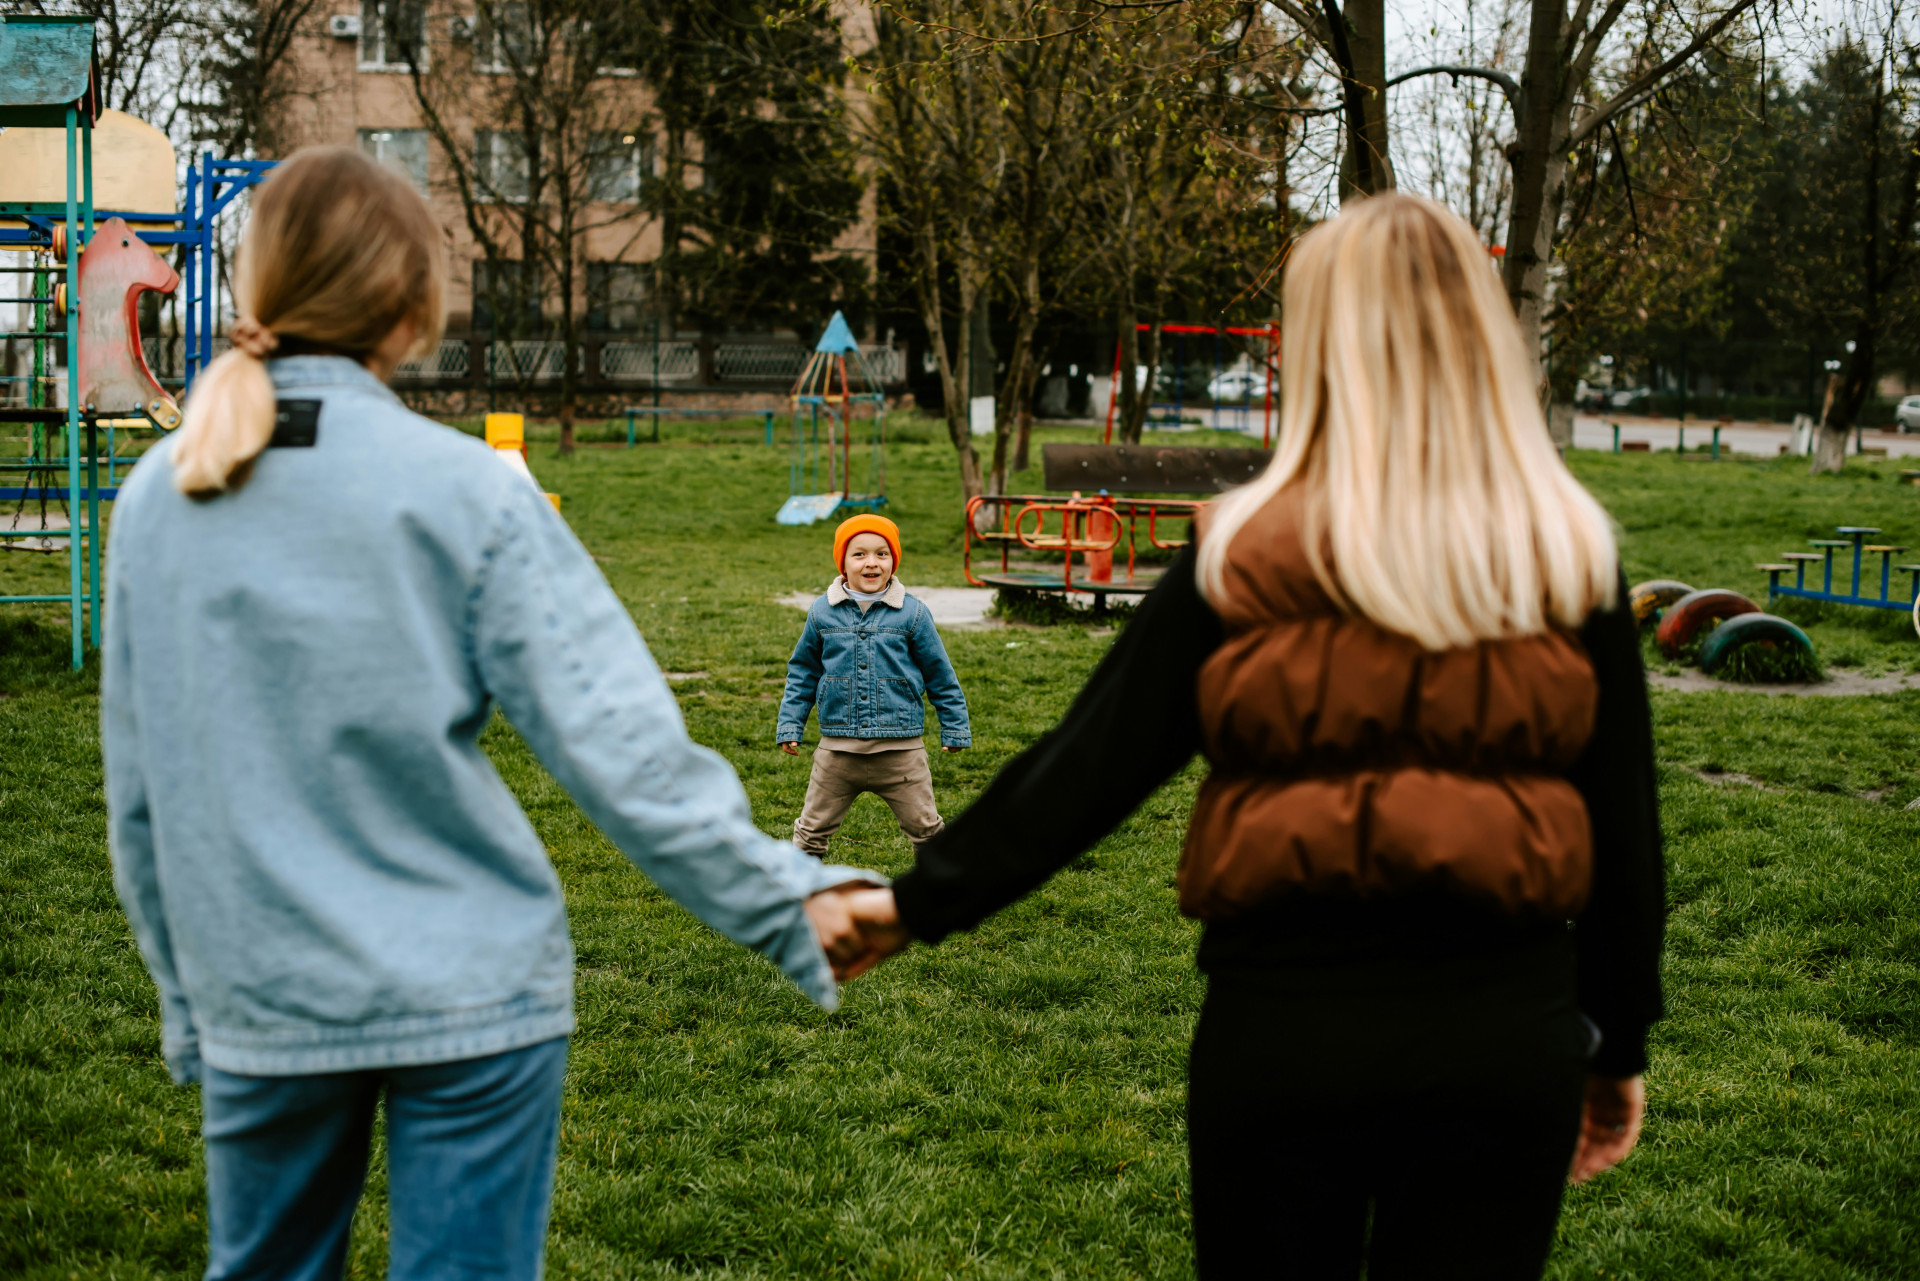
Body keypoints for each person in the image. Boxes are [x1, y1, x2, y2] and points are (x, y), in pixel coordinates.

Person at [843, 193, 1666, 1280]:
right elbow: (1625, 828)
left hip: (1284, 1038)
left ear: (1318, 344)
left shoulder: (1240, 553)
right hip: (1503, 1040)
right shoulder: (1566, 555)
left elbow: (1090, 766)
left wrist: (913, 905)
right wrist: (1617, 1043)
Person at [101, 147, 884, 1281]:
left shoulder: (157, 499)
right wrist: (784, 900)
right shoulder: (470, 492)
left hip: (263, 992)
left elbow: (142, 793)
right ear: (413, 309)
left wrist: (194, 1003)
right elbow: (621, 748)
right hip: (473, 989)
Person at [776, 514, 971, 857]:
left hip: (901, 753)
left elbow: (939, 673)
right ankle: (797, 887)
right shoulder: (822, 612)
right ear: (843, 562)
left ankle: (946, 887)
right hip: (837, 753)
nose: (871, 562)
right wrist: (791, 724)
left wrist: (955, 728)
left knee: (928, 832)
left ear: (893, 560)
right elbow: (803, 672)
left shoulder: (912, 613)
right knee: (810, 832)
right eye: (859, 554)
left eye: (882, 554)